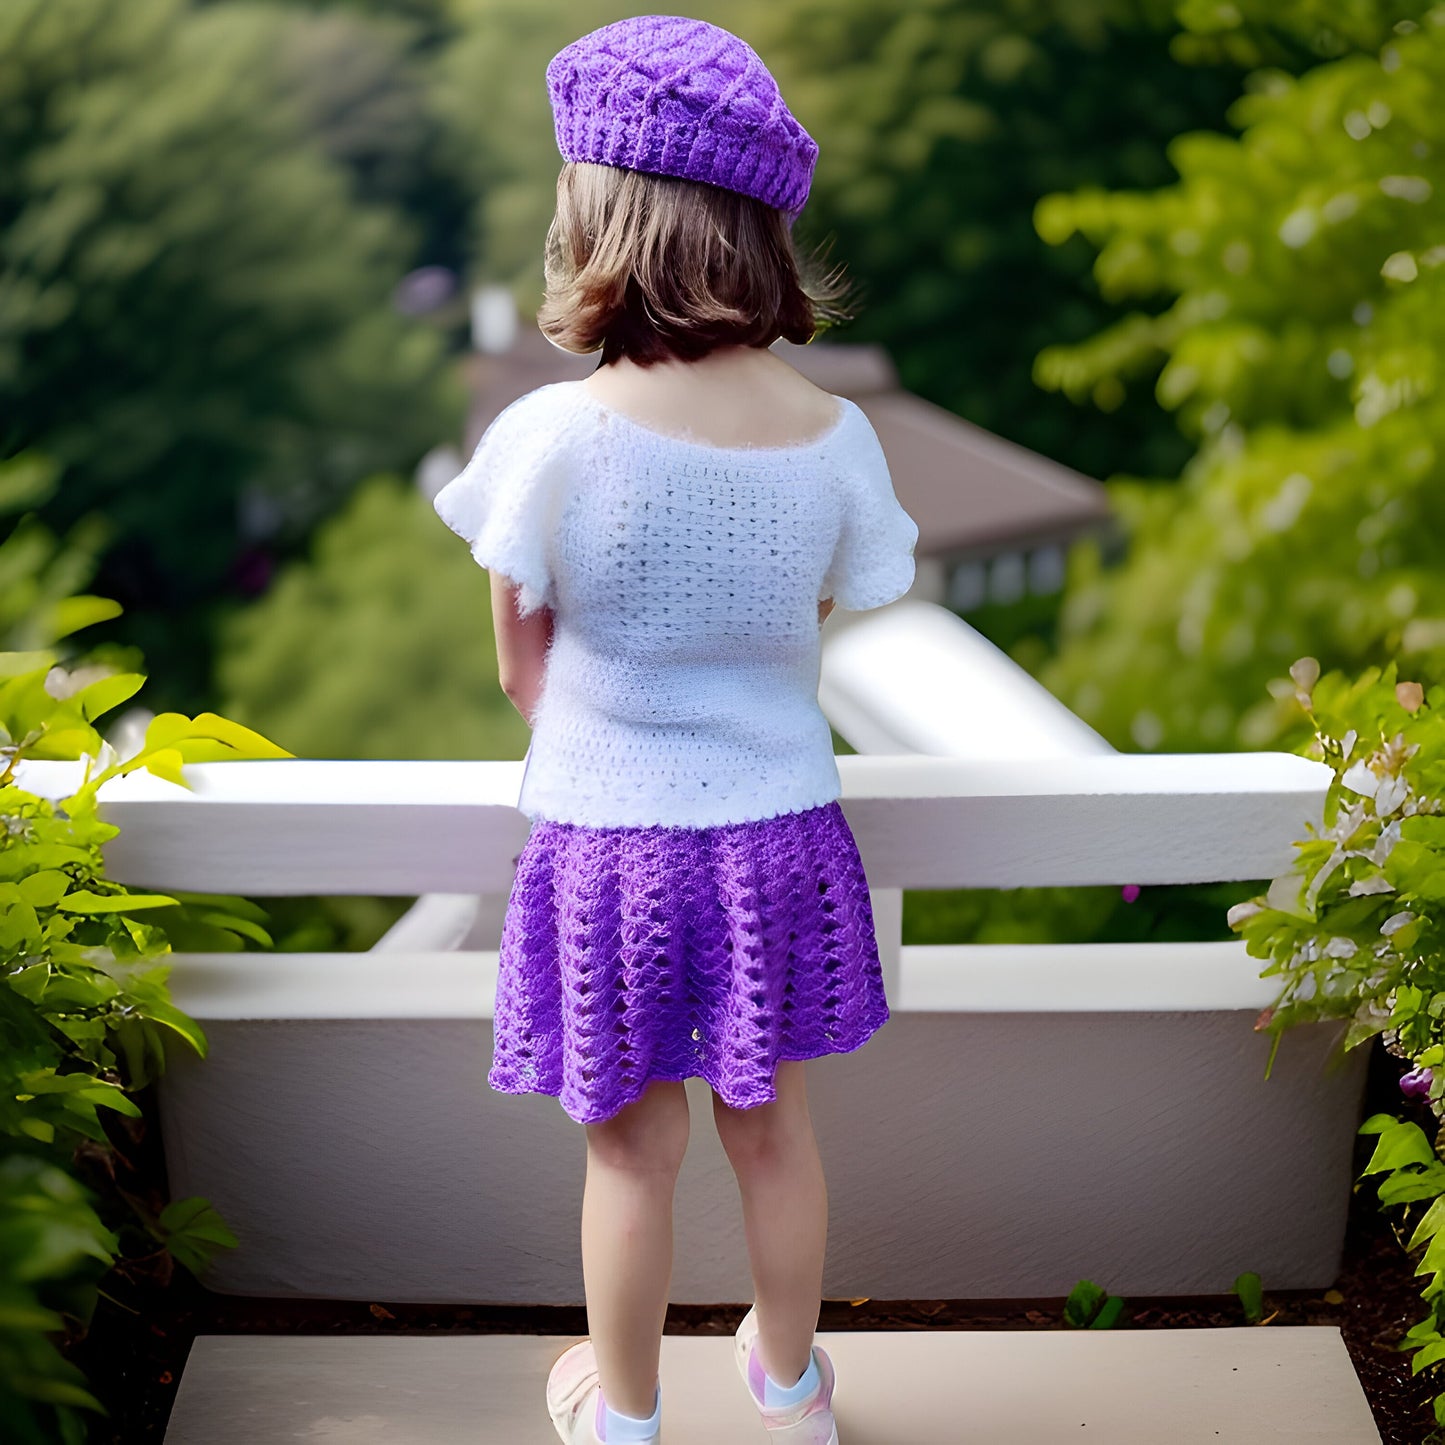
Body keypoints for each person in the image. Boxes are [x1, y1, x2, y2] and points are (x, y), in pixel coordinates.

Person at [432, 15, 919, 1445]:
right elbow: (811, 625)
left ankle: (627, 1417)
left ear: (599, 219)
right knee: (774, 1137)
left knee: (630, 1159)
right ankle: (787, 1385)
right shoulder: (831, 435)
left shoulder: (554, 436)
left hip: (608, 840)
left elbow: (521, 667)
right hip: (777, 832)